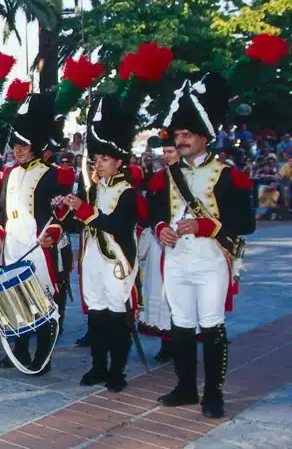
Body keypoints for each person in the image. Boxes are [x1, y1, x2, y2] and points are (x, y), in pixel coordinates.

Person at [151, 74, 256, 419]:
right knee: (180, 324)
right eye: (177, 135)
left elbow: (246, 223)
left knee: (211, 325)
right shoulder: (166, 176)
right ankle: (185, 387)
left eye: (185, 135)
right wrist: (161, 228)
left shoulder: (229, 174)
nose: (178, 141)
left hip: (211, 258)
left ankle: (213, 393)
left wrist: (204, 225)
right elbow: (154, 213)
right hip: (177, 258)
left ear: (203, 137)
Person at [54, 95, 141, 393]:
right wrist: (63, 207)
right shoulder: (92, 190)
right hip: (91, 258)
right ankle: (98, 366)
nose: (98, 164)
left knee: (117, 314)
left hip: (117, 260)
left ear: (118, 161)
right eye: (97, 159)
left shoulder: (128, 192)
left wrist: (84, 210)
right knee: (97, 314)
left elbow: (116, 224)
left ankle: (117, 370)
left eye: (104, 159)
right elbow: (80, 224)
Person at [0, 94, 66, 375]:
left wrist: (54, 231)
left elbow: (60, 214)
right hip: (12, 244)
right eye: (15, 144)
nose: (18, 149)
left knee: (41, 301)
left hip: (38, 245)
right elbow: (1, 210)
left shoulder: (50, 174)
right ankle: (20, 349)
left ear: (35, 145)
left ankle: (43, 356)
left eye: (23, 144)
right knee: (17, 299)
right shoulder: (9, 173)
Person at [139, 128, 180, 362]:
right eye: (164, 151)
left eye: (170, 151)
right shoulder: (158, 178)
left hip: (187, 242)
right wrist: (157, 226)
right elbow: (150, 210)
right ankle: (167, 341)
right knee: (161, 291)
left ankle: (182, 340)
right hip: (160, 240)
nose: (166, 155)